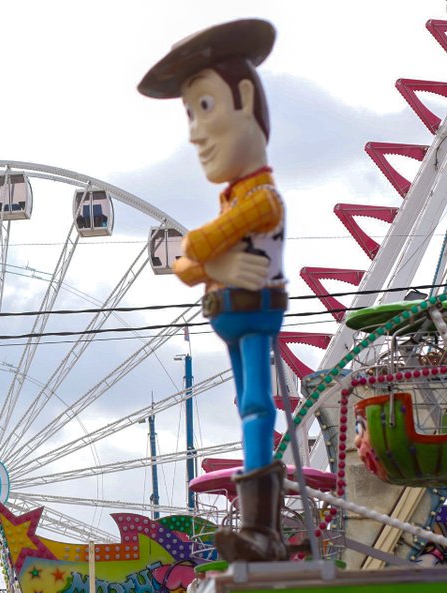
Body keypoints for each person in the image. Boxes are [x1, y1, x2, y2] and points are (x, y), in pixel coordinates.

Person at [138, 19, 289, 562]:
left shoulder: (262, 199)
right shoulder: (236, 204)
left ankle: (260, 528)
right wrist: (210, 258)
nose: (195, 133)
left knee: (255, 406)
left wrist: (208, 255)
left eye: (204, 107)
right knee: (249, 404)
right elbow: (186, 264)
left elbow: (196, 246)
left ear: (245, 98)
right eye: (190, 114)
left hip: (252, 310)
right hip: (229, 309)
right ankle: (258, 529)